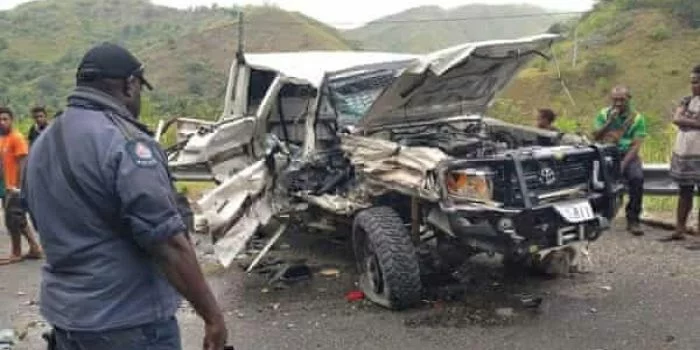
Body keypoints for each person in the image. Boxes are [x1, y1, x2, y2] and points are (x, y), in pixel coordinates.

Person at [22, 43, 228, 349]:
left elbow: (42, 223)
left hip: (67, 321)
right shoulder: (126, 143)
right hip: (128, 321)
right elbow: (168, 242)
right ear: (130, 85)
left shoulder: (42, 144)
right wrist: (213, 317)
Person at [592, 85, 647, 236]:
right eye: (615, 100)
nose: (618, 104)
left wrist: (623, 165)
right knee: (599, 185)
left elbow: (636, 145)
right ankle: (601, 218)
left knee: (637, 179)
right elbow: (595, 136)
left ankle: (633, 219)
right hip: (608, 154)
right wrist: (609, 122)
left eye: (622, 100)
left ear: (629, 99)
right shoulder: (603, 114)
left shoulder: (637, 118)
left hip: (627, 154)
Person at [0, 107, 43, 266]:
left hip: (15, 187)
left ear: (12, 120)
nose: (2, 122)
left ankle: (16, 253)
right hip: (6, 186)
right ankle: (35, 248)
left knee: (12, 220)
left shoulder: (16, 138)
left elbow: (23, 165)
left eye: (5, 119)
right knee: (19, 219)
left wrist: (18, 187)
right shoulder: (2, 138)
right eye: (0, 119)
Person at [668, 65, 700, 241]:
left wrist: (685, 121)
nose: (692, 86)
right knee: (684, 192)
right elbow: (676, 118)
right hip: (684, 154)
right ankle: (679, 229)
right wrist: (694, 120)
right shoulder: (687, 100)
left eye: (696, 82)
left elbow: (681, 120)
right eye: (692, 82)